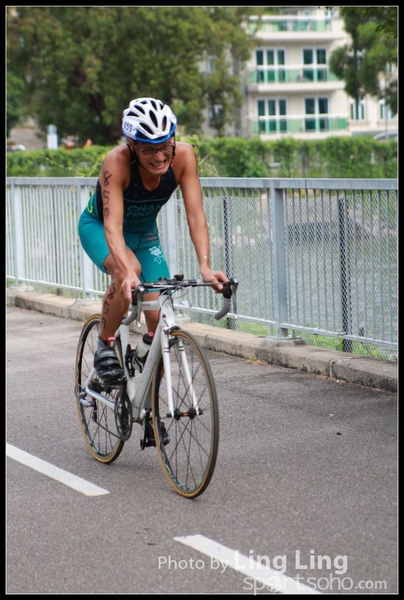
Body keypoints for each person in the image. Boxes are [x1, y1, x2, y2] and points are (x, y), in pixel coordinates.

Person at [78, 97, 228, 388]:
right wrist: (127, 272)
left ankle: (148, 405)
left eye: (165, 146)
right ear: (133, 145)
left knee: (159, 316)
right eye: (149, 149)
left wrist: (205, 267)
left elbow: (195, 215)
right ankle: (105, 344)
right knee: (128, 269)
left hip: (145, 235)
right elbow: (112, 225)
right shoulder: (116, 162)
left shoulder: (184, 156)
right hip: (99, 228)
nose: (159, 157)